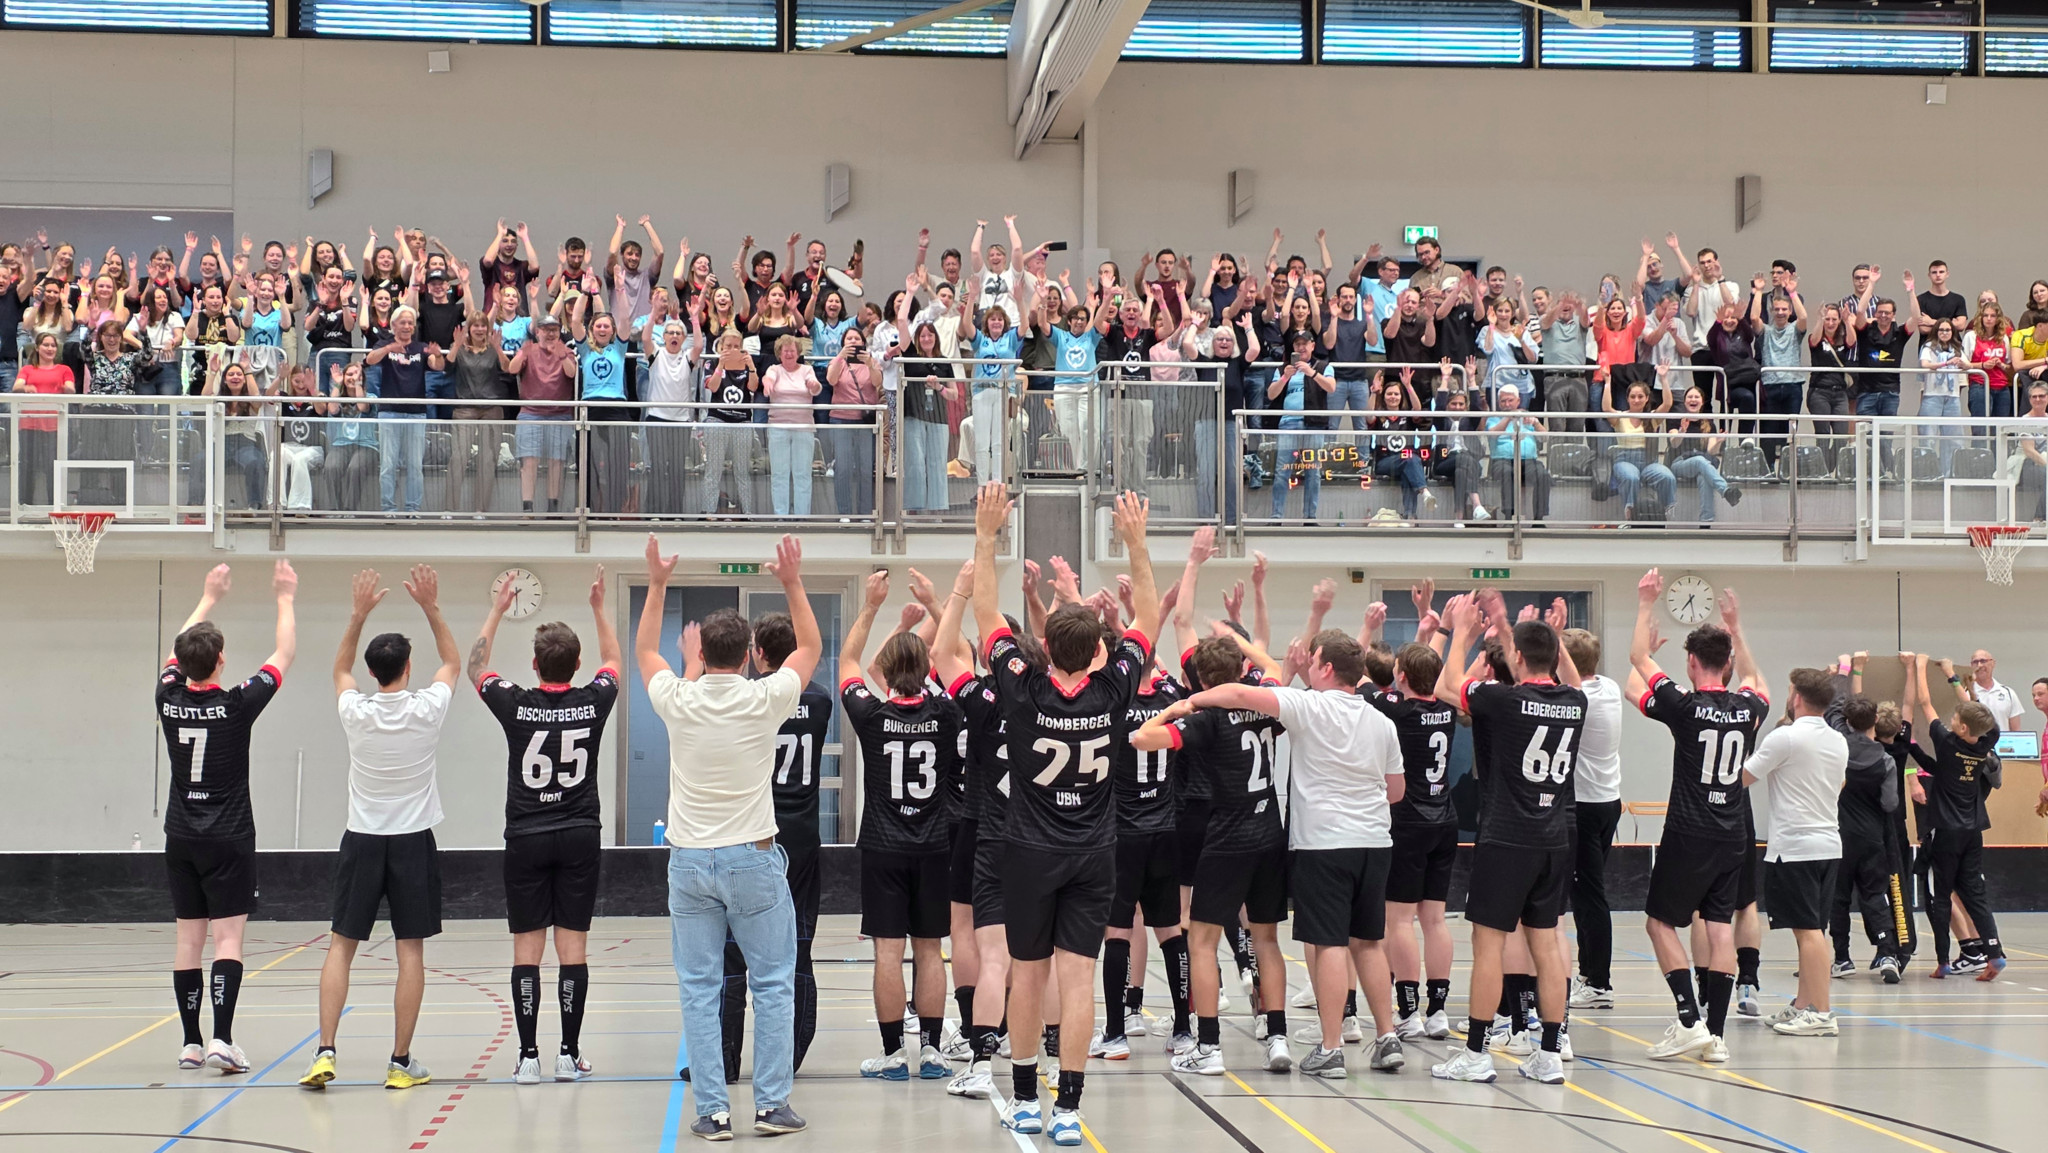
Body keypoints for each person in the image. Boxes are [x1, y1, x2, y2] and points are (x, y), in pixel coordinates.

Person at [969, 483, 1158, 1144]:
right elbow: (1148, 616)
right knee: (1078, 980)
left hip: (1028, 851)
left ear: (1045, 647)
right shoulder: (1115, 688)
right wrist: (1135, 545)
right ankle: (1070, 1109)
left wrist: (987, 535)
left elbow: (986, 612)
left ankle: (1025, 1098)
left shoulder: (1020, 690)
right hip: (1094, 853)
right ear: (1099, 650)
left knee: (1029, 972)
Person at [637, 532, 816, 1140]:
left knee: (700, 989)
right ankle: (771, 1106)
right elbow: (811, 648)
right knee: (773, 984)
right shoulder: (765, 699)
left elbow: (646, 652)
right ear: (746, 657)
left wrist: (657, 583)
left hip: (689, 864)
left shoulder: (677, 699)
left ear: (704, 654)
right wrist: (791, 581)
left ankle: (712, 1111)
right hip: (753, 861)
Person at [1202, 617, 1407, 1080]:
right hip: (1376, 842)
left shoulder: (1308, 706)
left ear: (1326, 667)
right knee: (1368, 943)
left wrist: (1192, 702)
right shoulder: (1381, 722)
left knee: (1329, 943)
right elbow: (1396, 790)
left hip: (1324, 844)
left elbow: (1239, 695)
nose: (1308, 666)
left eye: (1313, 660)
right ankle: (1387, 1036)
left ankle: (1331, 1048)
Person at [301, 566, 459, 1092]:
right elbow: (453, 663)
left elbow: (338, 668)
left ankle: (325, 1051)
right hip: (413, 843)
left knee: (341, 945)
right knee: (409, 952)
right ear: (408, 667)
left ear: (372, 672)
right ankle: (399, 1061)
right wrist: (431, 607)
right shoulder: (428, 709)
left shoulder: (356, 711)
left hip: (362, 840)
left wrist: (357, 614)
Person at [467, 566, 621, 1084]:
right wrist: (599, 607)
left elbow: (476, 666)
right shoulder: (593, 700)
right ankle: (568, 1055)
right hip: (579, 834)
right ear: (577, 665)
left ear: (534, 665)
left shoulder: (516, 703)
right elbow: (614, 661)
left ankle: (528, 1056)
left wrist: (497, 609)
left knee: (526, 952)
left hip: (526, 837)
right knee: (572, 949)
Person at [1432, 589, 1584, 1086]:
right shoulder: (1576, 702)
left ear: (1516, 657)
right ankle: (1550, 1053)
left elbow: (1446, 686)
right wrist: (1542, 635)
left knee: (1489, 945)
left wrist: (1462, 633)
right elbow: (1571, 679)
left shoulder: (1503, 700)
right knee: (1546, 945)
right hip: (1554, 838)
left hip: (1507, 839)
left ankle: (1477, 1053)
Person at [157, 561, 297, 1075]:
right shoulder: (237, 704)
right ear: (221, 660)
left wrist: (208, 595)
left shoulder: (167, 696)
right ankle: (222, 1038)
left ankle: (190, 1043)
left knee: (187, 941)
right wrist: (284, 596)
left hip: (181, 836)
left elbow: (175, 651)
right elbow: (283, 654)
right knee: (229, 940)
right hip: (230, 838)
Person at [1137, 630, 1292, 1078]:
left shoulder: (1206, 718)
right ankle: (1277, 1037)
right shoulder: (1266, 704)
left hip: (1228, 839)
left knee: (1202, 942)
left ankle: (1208, 1045)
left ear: (1201, 679)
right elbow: (1275, 669)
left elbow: (1142, 738)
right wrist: (1240, 644)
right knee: (1266, 940)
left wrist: (1176, 708)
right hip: (1271, 833)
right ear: (1242, 670)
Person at [1627, 570, 1767, 1063]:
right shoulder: (1748, 708)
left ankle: (1689, 1020)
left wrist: (1646, 604)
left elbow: (1638, 661)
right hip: (1733, 833)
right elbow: (1757, 683)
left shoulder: (1684, 707)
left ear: (1690, 662)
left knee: (1659, 924)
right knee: (1719, 926)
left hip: (1688, 832)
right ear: (1728, 664)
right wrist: (1737, 628)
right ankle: (1717, 1036)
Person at [835, 571, 963, 1080]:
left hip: (883, 847)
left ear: (885, 674)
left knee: (888, 952)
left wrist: (870, 607)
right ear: (929, 669)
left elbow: (847, 663)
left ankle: (892, 1056)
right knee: (930, 949)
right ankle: (931, 1052)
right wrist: (940, 605)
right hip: (934, 846)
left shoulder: (871, 715)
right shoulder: (949, 713)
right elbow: (958, 655)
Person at [718, 611, 832, 1083]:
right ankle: (788, 1057)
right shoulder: (820, 700)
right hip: (802, 836)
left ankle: (725, 1059)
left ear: (757, 653)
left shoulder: (747, 699)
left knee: (731, 950)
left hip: (753, 832)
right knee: (797, 947)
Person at [1741, 667, 1849, 1037]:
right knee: (1812, 930)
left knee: (1809, 932)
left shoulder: (1785, 738)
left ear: (1797, 697)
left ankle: (1822, 1013)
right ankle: (1803, 1004)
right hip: (1828, 845)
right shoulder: (1838, 740)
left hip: (1796, 848)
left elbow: (1743, 777)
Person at [1907, 653, 2007, 980]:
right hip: (1972, 831)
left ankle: (1943, 961)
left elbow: (1924, 702)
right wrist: (1952, 676)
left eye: (1955, 719)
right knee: (1975, 894)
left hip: (1945, 832)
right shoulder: (1986, 741)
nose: (1950, 720)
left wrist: (1920, 666)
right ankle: (1994, 954)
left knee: (1941, 896)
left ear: (1962, 727)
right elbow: (1981, 715)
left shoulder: (1947, 743)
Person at [1823, 658, 1905, 981]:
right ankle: (1886, 952)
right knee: (1874, 895)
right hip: (1872, 838)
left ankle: (1842, 958)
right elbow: (1890, 803)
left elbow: (1833, 708)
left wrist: (1844, 671)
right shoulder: (1885, 761)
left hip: (1839, 835)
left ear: (1847, 721)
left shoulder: (1837, 746)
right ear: (1875, 721)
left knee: (1839, 897)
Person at [1563, 627, 1625, 1012]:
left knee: (1590, 895)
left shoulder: (1578, 698)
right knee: (1584, 893)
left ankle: (1599, 981)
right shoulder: (1610, 688)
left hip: (1585, 806)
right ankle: (1589, 975)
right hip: (1607, 802)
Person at [502, 313, 578, 515]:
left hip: (560, 413)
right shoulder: (529, 349)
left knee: (556, 461)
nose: (550, 334)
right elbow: (512, 369)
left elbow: (571, 373)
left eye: (554, 330)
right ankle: (528, 508)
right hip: (531, 412)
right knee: (529, 461)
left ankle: (553, 509)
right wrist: (522, 353)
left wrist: (562, 355)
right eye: (546, 329)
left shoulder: (567, 351)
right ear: (537, 332)